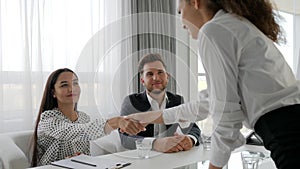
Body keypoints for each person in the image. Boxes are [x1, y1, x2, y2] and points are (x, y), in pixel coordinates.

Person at [128, 0, 300, 169]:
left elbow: (226, 116)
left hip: (284, 131)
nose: (181, 23)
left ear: (195, 3)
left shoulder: (214, 30)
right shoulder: (234, 25)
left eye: (180, 12)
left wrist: (214, 166)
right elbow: (210, 103)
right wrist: (150, 117)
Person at [31, 68, 145, 166]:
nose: (72, 89)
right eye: (64, 85)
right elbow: (77, 132)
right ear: (53, 93)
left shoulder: (84, 118)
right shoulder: (47, 119)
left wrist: (81, 157)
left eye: (75, 83)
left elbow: (85, 152)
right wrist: (116, 122)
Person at [119, 53, 201, 153]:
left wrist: (190, 139)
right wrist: (155, 143)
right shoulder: (131, 102)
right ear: (142, 80)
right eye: (150, 74)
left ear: (167, 77)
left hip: (174, 159)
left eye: (160, 72)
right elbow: (125, 138)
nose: (156, 78)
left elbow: (194, 128)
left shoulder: (178, 100)